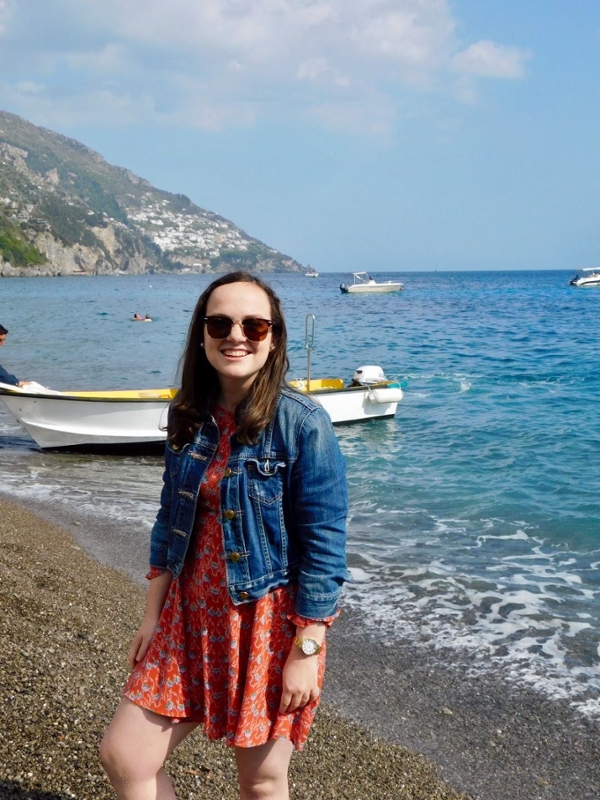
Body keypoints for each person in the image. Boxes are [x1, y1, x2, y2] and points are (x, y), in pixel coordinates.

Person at [100, 271, 349, 800]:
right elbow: (170, 519)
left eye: (254, 325)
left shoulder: (302, 423)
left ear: (273, 337)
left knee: (260, 782)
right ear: (202, 334)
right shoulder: (187, 415)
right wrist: (152, 616)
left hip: (266, 620)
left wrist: (306, 647)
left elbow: (325, 545)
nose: (236, 335)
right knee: (126, 756)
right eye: (220, 323)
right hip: (188, 613)